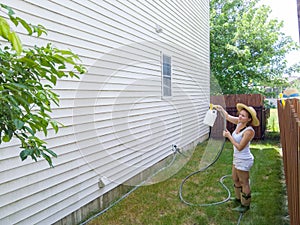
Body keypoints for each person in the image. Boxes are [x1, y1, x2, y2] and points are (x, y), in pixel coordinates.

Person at [215, 103, 260, 213]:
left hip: (244, 159)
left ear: (249, 119)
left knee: (244, 182)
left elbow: (240, 147)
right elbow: (228, 116)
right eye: (240, 114)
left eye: (243, 116)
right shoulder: (239, 123)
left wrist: (229, 136)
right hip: (237, 158)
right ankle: (238, 198)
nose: (240, 117)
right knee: (235, 178)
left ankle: (245, 205)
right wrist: (220, 109)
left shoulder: (249, 131)